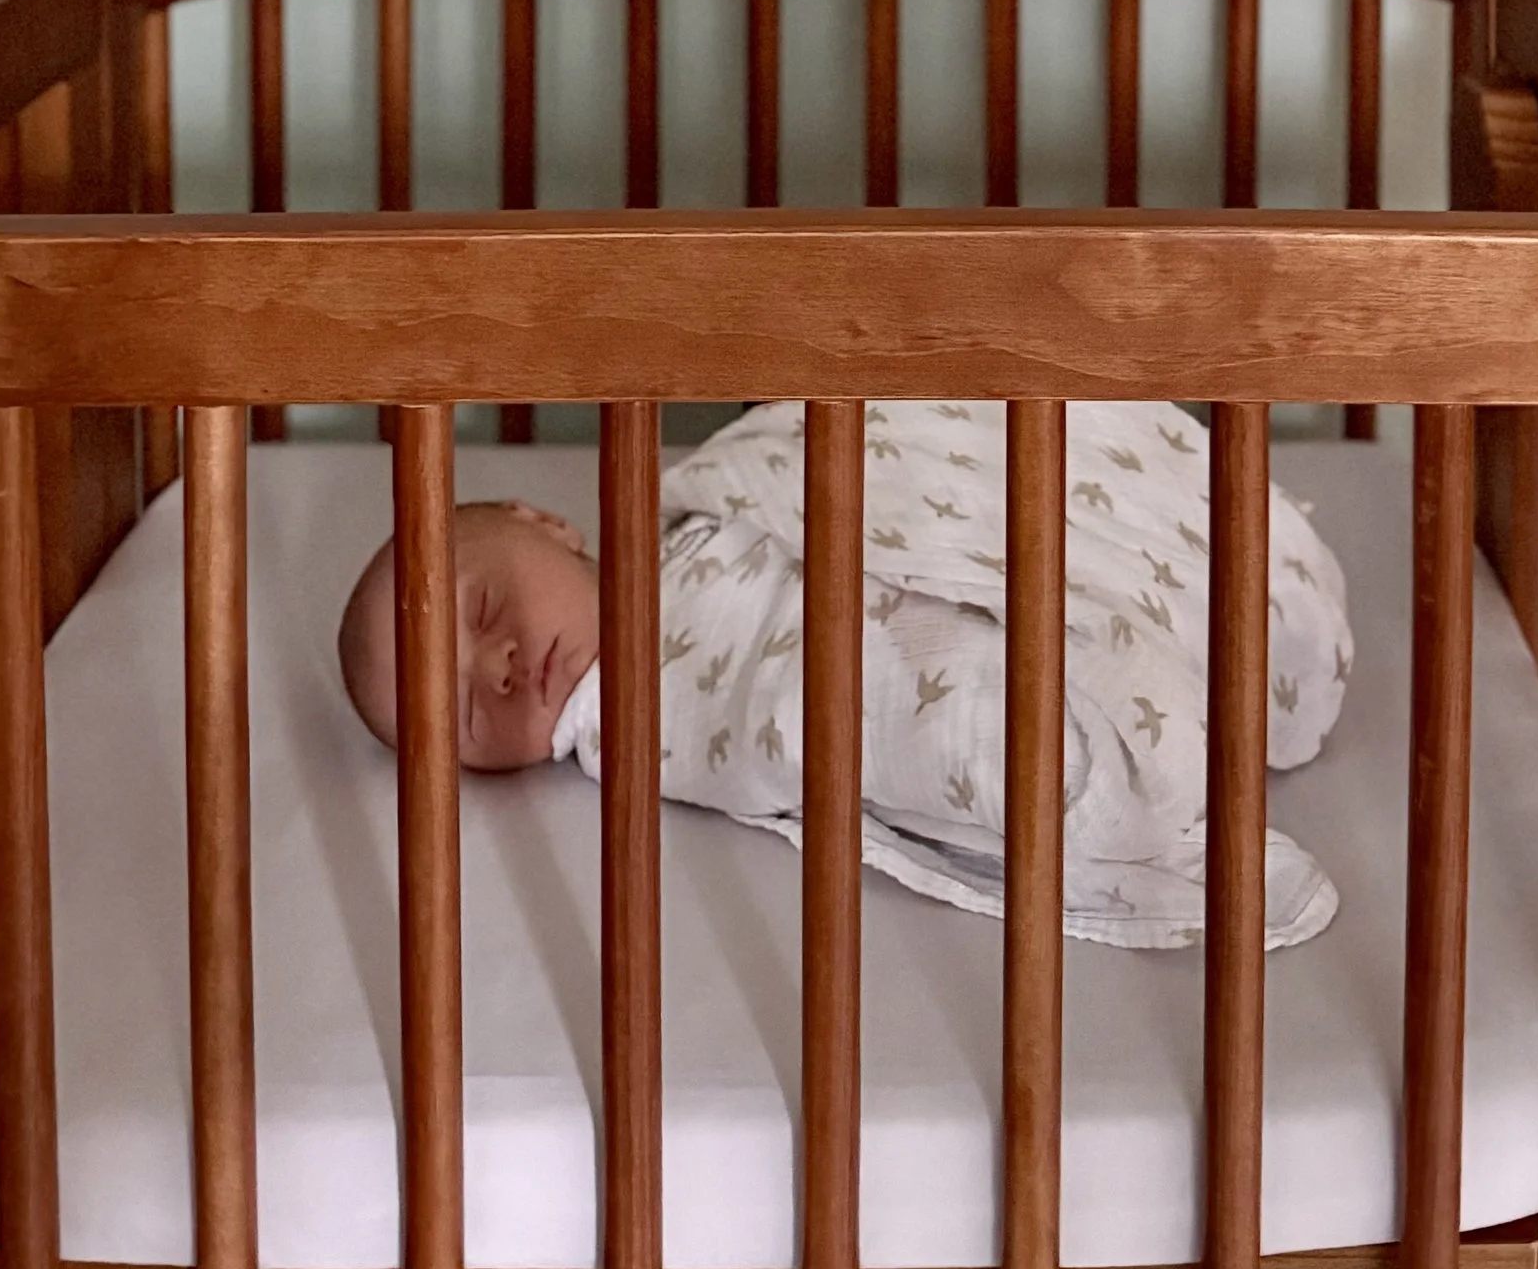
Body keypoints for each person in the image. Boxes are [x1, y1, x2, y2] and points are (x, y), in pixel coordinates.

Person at [338, 398, 1353, 948]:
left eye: (477, 614)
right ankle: (1112, 710)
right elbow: (796, 713)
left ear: (541, 519)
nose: (502, 669)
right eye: (465, 714)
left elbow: (898, 443)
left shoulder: (715, 488)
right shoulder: (654, 723)